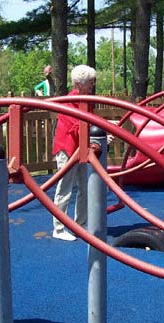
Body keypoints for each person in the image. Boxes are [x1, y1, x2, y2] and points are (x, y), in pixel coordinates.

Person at [51, 65, 98, 241]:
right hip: (67, 149)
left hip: (81, 149)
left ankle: (81, 224)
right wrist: (100, 131)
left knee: (85, 187)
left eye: (93, 81)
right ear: (78, 84)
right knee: (65, 188)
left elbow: (90, 122)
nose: (93, 84)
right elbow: (78, 127)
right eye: (90, 82)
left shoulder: (86, 99)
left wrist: (102, 128)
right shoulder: (70, 101)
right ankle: (59, 227)